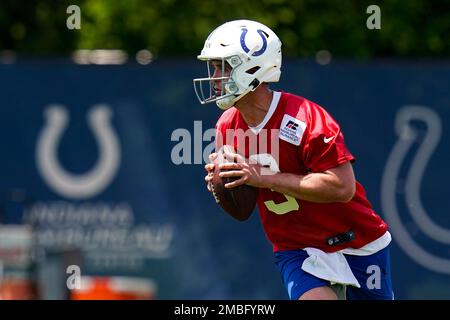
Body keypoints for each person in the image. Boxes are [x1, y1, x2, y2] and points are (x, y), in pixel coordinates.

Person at [193, 19, 394, 300]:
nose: (214, 77)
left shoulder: (306, 119)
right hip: (296, 249)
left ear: (253, 68)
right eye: (214, 67)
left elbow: (342, 187)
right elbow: (242, 211)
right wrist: (225, 183)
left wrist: (262, 177)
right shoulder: (227, 126)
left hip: (356, 240)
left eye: (223, 67)